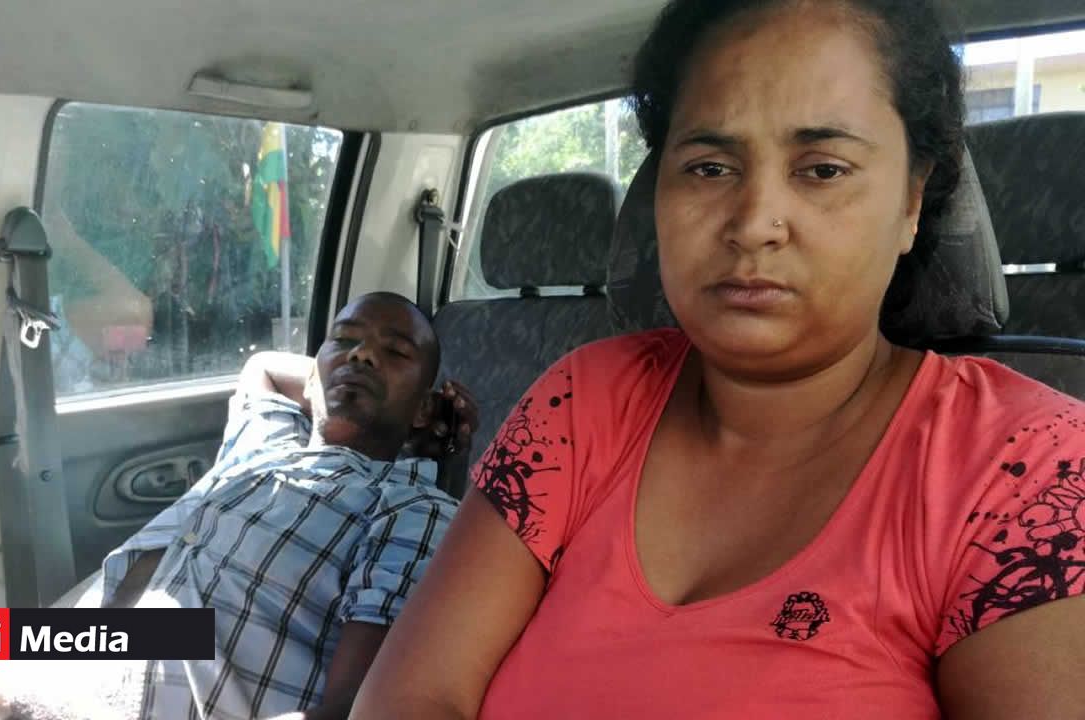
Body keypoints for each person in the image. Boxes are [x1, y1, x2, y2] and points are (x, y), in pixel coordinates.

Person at [351, 2, 1085, 719]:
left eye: (823, 169)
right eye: (709, 167)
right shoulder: (582, 400)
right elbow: (412, 697)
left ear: (911, 203)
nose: (754, 223)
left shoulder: (1028, 471)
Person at [80, 291, 476, 720]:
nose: (361, 354)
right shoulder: (268, 438)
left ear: (423, 409)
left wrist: (352, 378)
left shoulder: (411, 508)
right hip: (83, 655)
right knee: (16, 638)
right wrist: (330, 376)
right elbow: (262, 366)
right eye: (345, 340)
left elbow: (360, 709)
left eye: (395, 351)